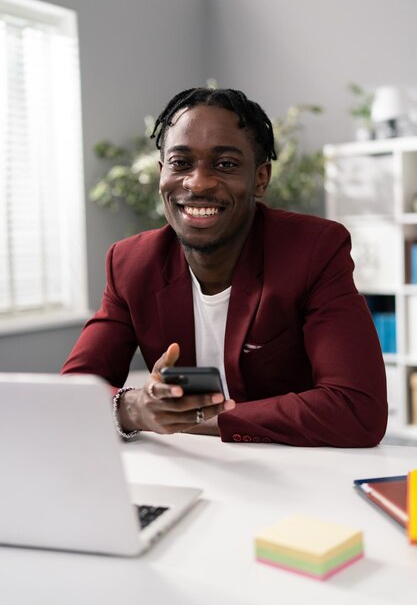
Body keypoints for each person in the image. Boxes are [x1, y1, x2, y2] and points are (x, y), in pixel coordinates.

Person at [62, 87, 388, 446]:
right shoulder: (131, 263)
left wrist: (208, 421)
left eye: (226, 164)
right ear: (161, 174)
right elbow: (70, 395)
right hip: (190, 471)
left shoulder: (312, 250)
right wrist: (134, 408)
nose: (198, 182)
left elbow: (358, 410)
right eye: (181, 163)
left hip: (297, 470)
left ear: (260, 179)